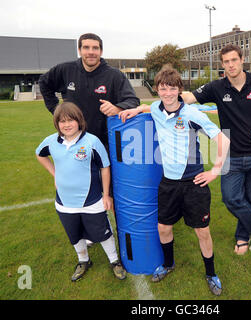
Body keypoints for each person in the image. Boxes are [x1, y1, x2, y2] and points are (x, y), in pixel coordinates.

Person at [119, 65, 230, 296]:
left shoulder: (191, 113)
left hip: (194, 184)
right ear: (157, 90)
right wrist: (135, 110)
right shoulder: (156, 109)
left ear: (179, 89)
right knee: (163, 227)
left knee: (202, 232)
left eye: (171, 88)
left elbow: (223, 140)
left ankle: (211, 274)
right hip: (168, 183)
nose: (167, 93)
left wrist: (215, 171)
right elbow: (148, 107)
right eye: (162, 88)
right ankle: (169, 264)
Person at [182, 44, 251, 255]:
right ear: (222, 64)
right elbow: (189, 98)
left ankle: (243, 237)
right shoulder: (217, 87)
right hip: (231, 157)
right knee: (231, 198)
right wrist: (167, 96)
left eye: (234, 60)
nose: (230, 65)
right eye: (226, 62)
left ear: (242, 59)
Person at [39, 33, 139, 254]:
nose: (91, 52)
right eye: (86, 47)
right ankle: (91, 234)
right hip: (75, 144)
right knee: (84, 191)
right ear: (80, 50)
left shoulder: (113, 76)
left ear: (101, 51)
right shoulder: (66, 70)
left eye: (95, 48)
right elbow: (44, 83)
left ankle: (122, 232)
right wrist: (57, 110)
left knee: (111, 192)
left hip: (105, 145)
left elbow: (133, 100)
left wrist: (118, 107)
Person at [35, 102, 126, 281]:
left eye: (70, 120)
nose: (66, 125)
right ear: (57, 123)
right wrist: (54, 173)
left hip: (92, 201)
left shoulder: (91, 141)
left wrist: (106, 195)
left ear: (79, 121)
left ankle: (114, 261)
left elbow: (105, 167)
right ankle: (83, 260)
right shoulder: (51, 141)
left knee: (103, 233)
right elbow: (40, 154)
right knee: (74, 234)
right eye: (62, 121)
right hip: (64, 203)